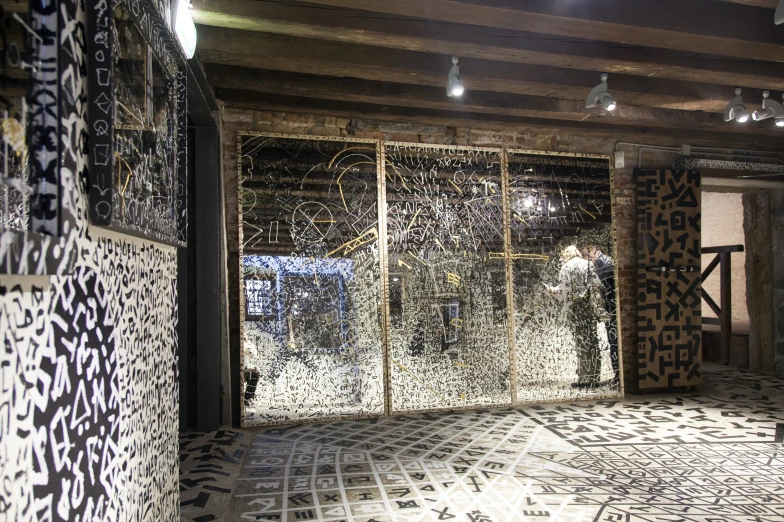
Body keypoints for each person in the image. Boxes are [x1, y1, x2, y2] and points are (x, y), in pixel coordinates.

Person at [544, 245, 605, 388]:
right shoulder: (589, 264)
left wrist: (551, 290)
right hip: (589, 307)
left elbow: (563, 291)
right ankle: (595, 377)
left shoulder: (566, 267)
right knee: (593, 342)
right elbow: (596, 286)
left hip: (576, 309)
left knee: (581, 344)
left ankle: (584, 379)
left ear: (566, 254)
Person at [583, 244, 619, 384]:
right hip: (612, 308)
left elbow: (607, 288)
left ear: (594, 250)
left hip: (612, 309)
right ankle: (617, 375)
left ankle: (618, 376)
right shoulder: (605, 261)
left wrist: (607, 310)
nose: (587, 258)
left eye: (588, 254)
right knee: (614, 343)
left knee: (614, 343)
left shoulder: (601, 263)